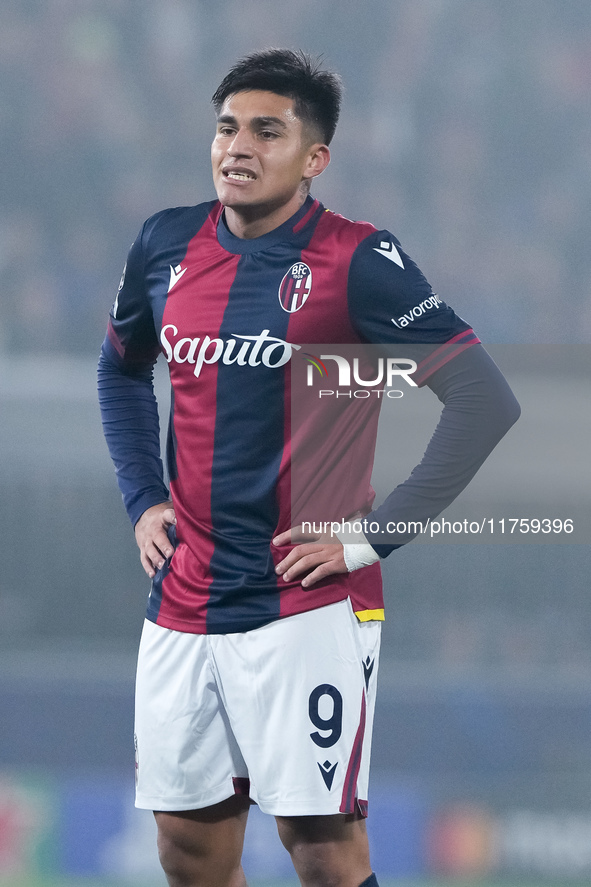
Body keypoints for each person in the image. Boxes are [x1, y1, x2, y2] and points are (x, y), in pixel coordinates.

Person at [98, 48, 519, 887]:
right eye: (225, 128)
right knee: (187, 850)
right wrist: (144, 496)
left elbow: (484, 400)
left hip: (306, 601)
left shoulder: (357, 260)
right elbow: (119, 368)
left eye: (265, 130)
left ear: (313, 157)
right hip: (183, 596)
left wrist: (372, 538)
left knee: (322, 851)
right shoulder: (164, 242)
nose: (237, 147)